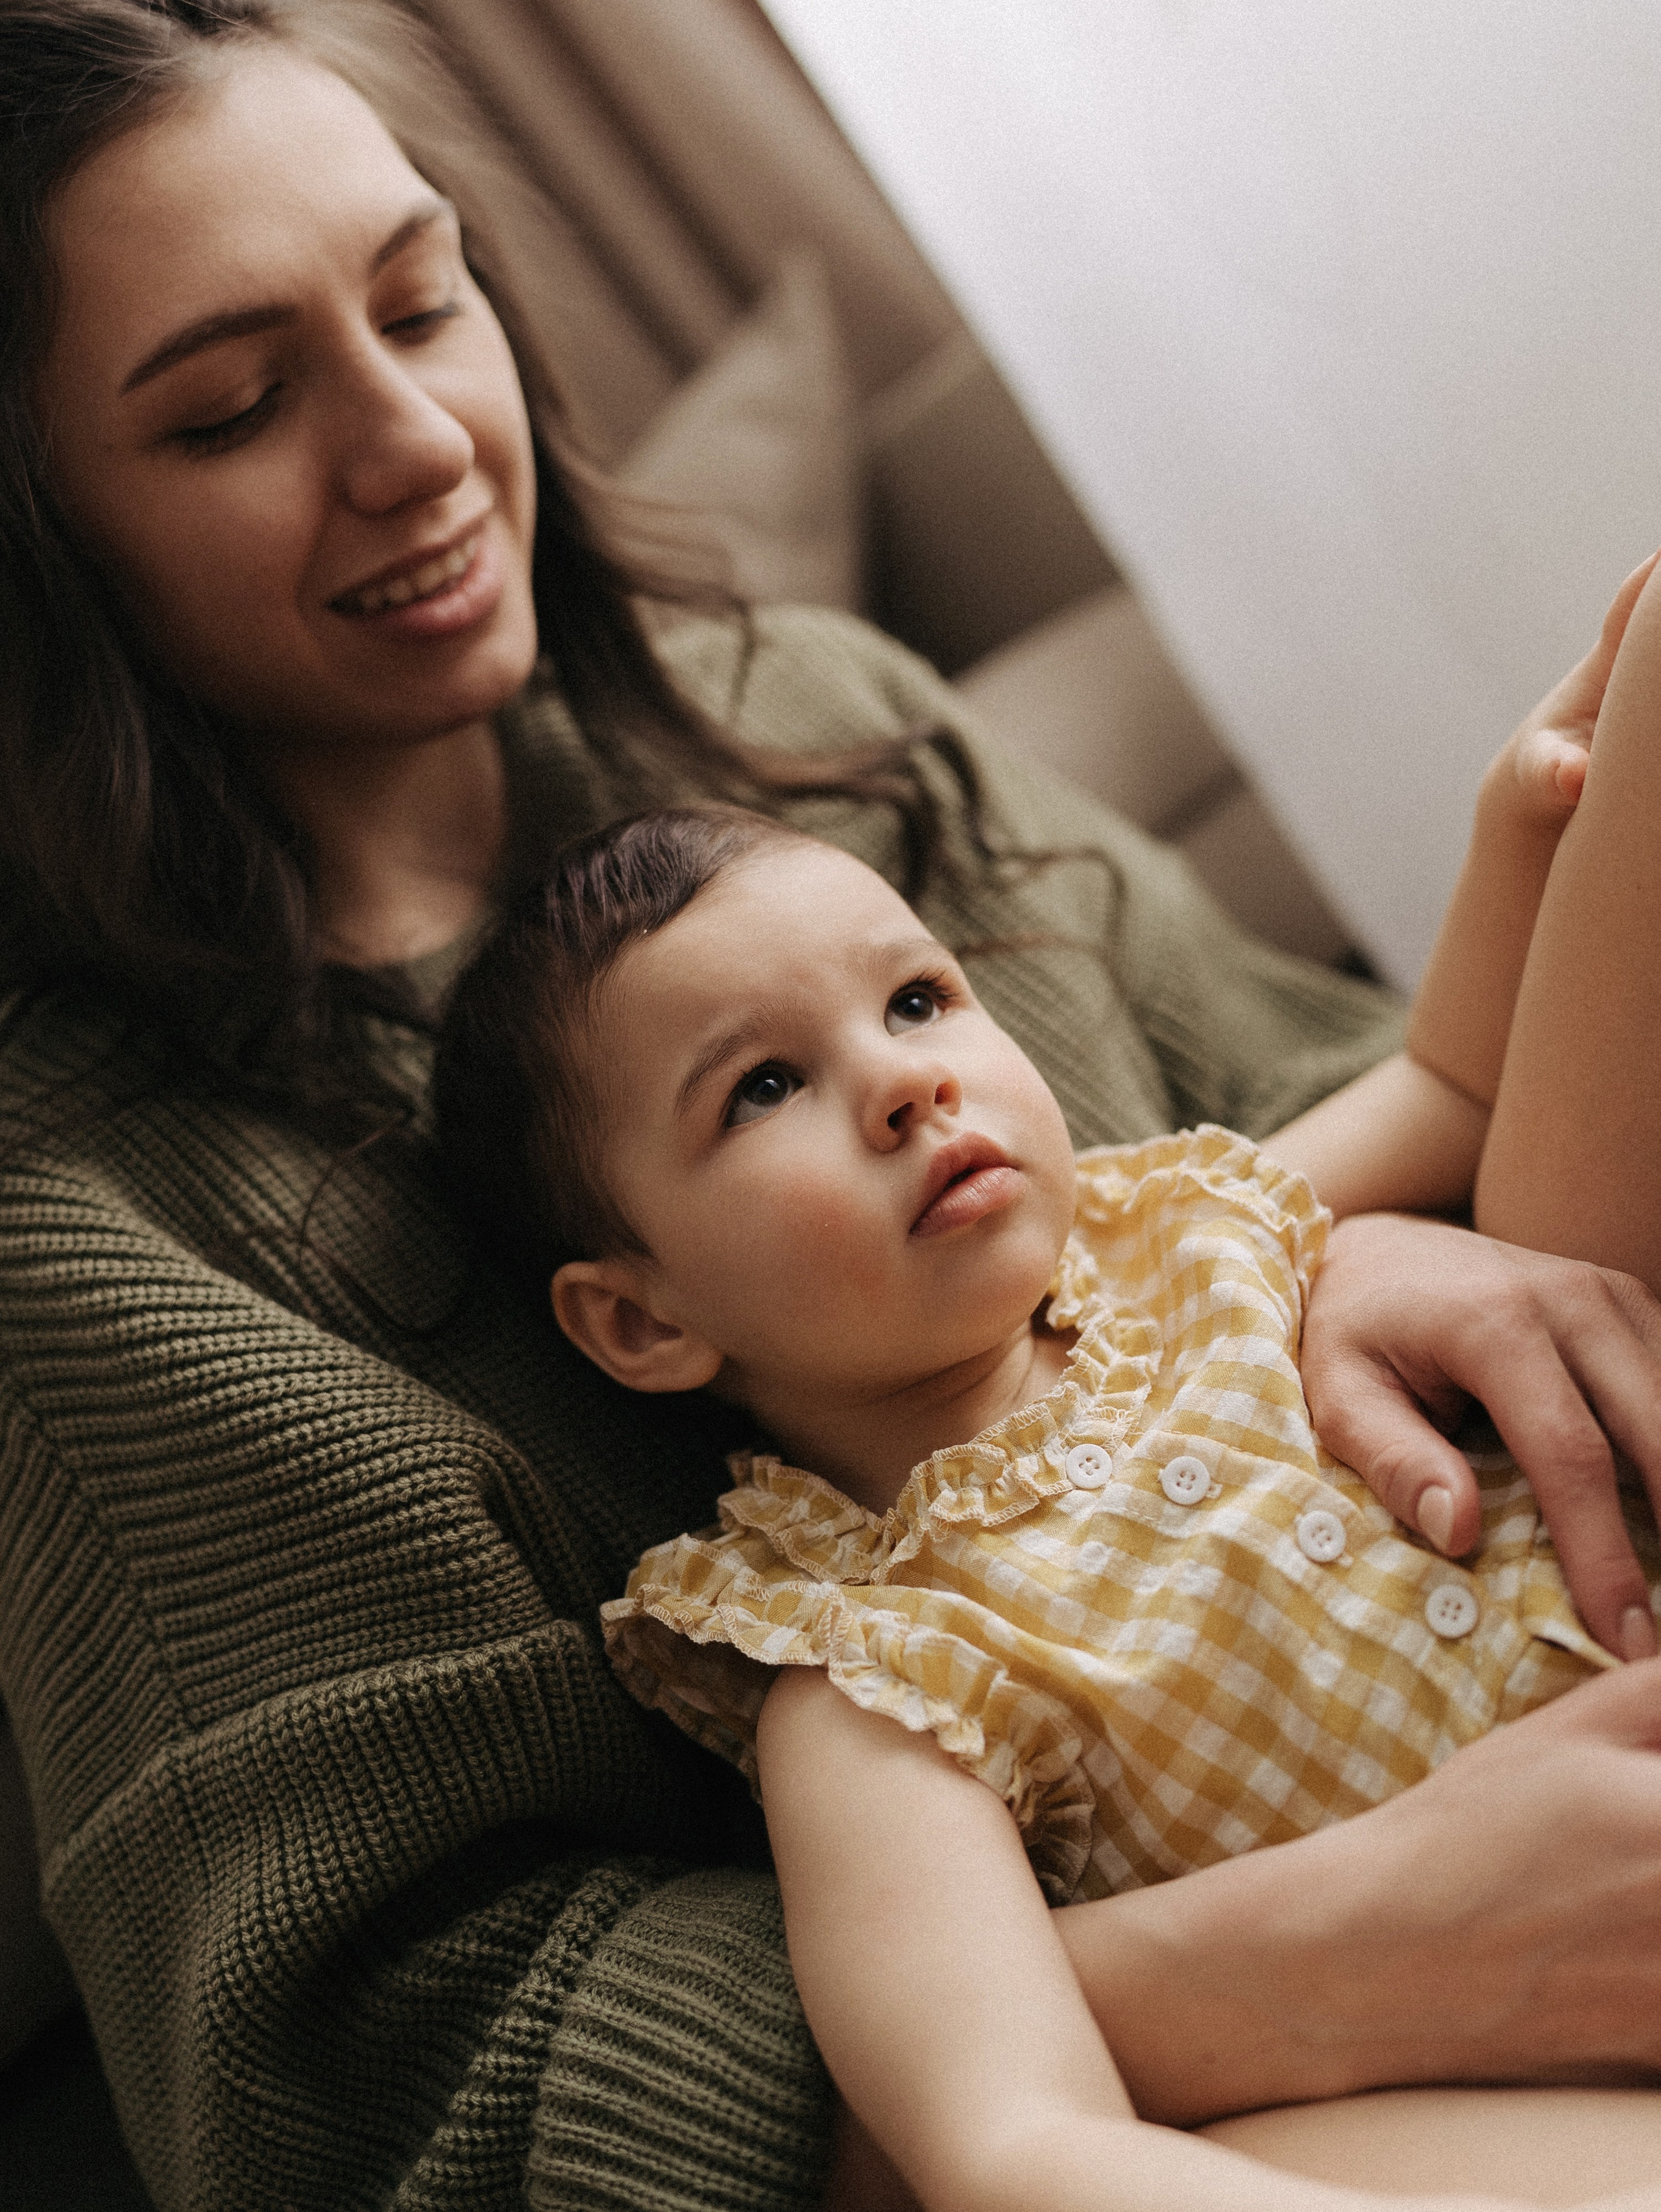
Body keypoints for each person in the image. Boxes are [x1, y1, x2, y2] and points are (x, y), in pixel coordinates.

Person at [3, 1, 1661, 2206]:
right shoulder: (94, 1229)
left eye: (421, 300)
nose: (417, 444)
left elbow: (1336, 1091)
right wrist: (1328, 1956)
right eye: (229, 412)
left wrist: (1349, 1245)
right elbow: (403, 2104)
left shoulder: (808, 712)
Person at [426, 548, 1661, 2209]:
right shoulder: (864, 1671)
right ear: (642, 1323)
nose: (905, 1084)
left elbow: (1449, 1078)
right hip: (1495, 2076)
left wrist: (1526, 815)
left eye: (915, 998)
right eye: (763, 1086)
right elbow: (1012, 2141)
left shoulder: (1175, 1226)